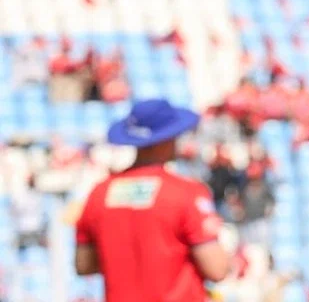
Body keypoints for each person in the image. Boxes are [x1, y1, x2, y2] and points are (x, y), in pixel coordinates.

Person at [74, 99, 230, 302]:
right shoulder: (186, 193)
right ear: (168, 138)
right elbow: (217, 269)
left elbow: (84, 264)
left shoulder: (100, 193)